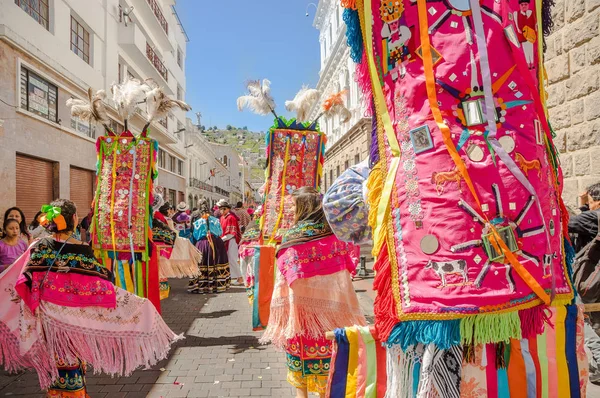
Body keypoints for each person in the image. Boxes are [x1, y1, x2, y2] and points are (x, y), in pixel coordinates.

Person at [0, 199, 181, 396]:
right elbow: (103, 286)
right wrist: (139, 305)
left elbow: (20, 279)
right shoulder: (82, 250)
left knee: (57, 368)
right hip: (73, 324)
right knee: (72, 367)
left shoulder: (39, 246)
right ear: (75, 220)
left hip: (48, 324)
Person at [260, 187, 366, 398]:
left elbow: (284, 280)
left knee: (302, 373)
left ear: (302, 207)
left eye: (293, 206)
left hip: (301, 320)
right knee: (333, 368)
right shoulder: (335, 236)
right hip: (335, 317)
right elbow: (348, 269)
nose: (291, 210)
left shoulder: (292, 238)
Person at [188, 199, 230, 294]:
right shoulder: (215, 220)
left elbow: (195, 235)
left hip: (202, 244)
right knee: (216, 263)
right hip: (216, 244)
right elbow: (220, 232)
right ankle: (216, 285)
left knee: (202, 263)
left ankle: (202, 286)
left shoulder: (197, 222)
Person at [569, 182, 600, 253]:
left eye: (590, 202)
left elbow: (566, 223)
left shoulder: (593, 217)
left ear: (598, 202)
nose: (589, 205)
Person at [218, 199, 243, 285]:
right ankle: (232, 277)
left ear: (226, 209)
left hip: (231, 241)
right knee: (228, 260)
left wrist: (222, 239)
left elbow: (232, 233)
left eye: (221, 209)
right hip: (225, 241)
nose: (220, 211)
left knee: (233, 259)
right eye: (220, 209)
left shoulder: (231, 218)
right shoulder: (222, 218)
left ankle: (240, 278)